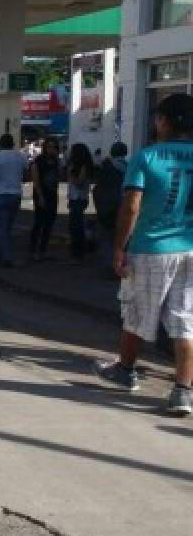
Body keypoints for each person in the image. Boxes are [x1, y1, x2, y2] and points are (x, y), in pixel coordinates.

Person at [95, 93, 193, 416]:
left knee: (136, 312)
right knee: (185, 321)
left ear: (163, 121)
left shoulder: (147, 157)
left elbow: (131, 206)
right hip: (190, 248)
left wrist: (119, 247)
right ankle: (183, 391)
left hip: (151, 248)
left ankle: (125, 370)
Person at [0, 133, 28, 267]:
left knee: (1, 227)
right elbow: (26, 175)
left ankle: (5, 257)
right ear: (12, 144)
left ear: (0, 144)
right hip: (16, 194)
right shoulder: (21, 157)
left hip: (1, 194)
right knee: (7, 227)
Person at [93, 141, 129, 275]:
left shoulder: (106, 168)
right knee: (123, 240)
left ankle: (110, 268)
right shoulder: (130, 167)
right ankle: (121, 267)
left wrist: (98, 207)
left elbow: (97, 190)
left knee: (107, 239)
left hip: (107, 208)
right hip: (124, 208)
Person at [28, 137, 62, 262]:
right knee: (39, 222)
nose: (51, 150)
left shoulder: (56, 161)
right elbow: (36, 180)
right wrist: (40, 196)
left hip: (52, 193)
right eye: (49, 147)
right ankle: (33, 249)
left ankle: (43, 249)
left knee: (49, 222)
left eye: (53, 147)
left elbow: (59, 176)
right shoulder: (38, 161)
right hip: (41, 194)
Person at [66, 142, 95, 262]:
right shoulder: (79, 165)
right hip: (76, 198)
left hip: (78, 198)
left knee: (76, 227)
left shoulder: (82, 166)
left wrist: (71, 174)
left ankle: (77, 254)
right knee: (75, 226)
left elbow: (79, 182)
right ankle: (77, 253)